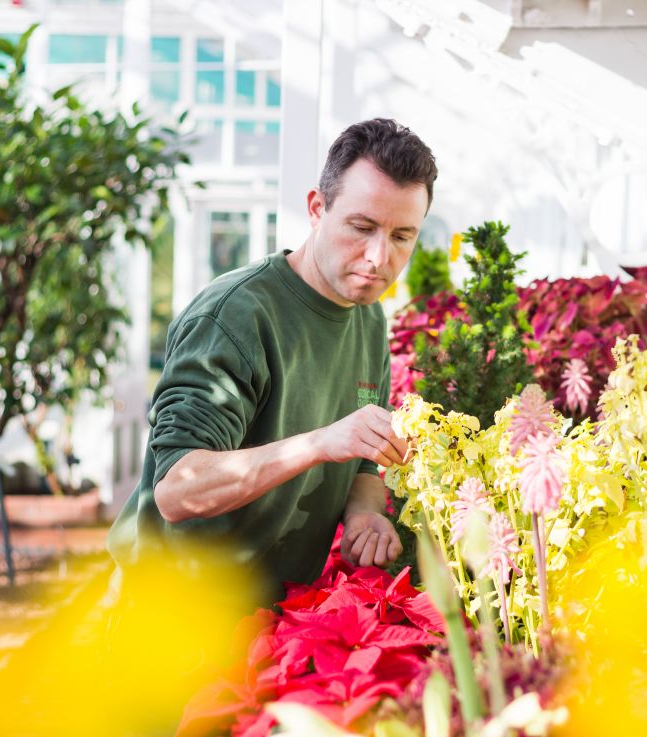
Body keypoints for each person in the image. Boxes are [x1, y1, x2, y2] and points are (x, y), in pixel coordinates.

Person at [107, 118, 438, 604]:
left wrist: (365, 515)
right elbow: (177, 490)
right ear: (316, 208)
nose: (377, 256)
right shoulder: (234, 317)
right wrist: (318, 444)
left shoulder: (367, 317)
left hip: (277, 617)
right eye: (362, 227)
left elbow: (366, 464)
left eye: (402, 236)